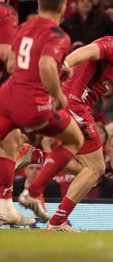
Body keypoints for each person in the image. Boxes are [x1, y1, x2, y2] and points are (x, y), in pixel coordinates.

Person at [16, 16, 113, 231]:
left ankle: (34, 156)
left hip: (68, 105)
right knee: (97, 168)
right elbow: (88, 50)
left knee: (84, 168)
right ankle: (58, 221)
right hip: (74, 106)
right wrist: (64, 66)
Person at [0, 0, 84, 227]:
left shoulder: (25, 27)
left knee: (7, 145)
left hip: (6, 98)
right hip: (32, 105)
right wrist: (58, 96)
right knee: (75, 139)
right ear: (63, 7)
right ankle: (33, 191)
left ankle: (4, 206)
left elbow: (10, 66)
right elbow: (46, 66)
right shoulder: (58, 35)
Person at [0, 0, 35, 227]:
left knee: (11, 139)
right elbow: (7, 56)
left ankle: (5, 207)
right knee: (11, 138)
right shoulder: (6, 12)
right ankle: (5, 206)